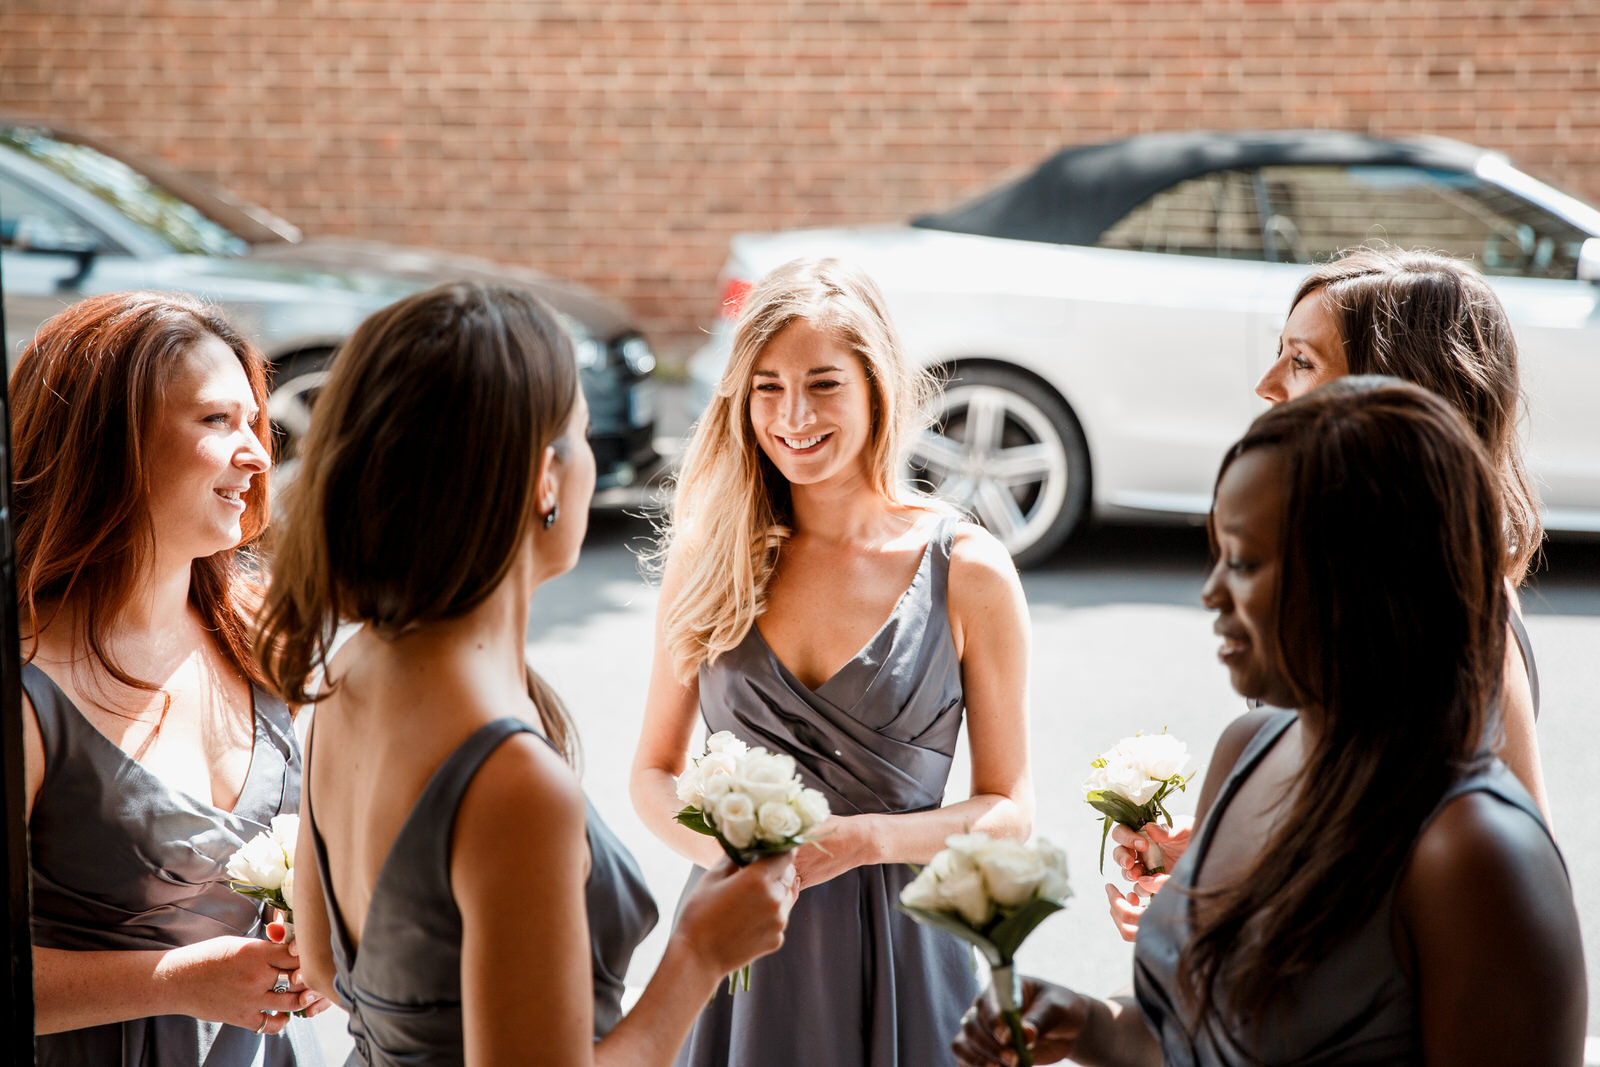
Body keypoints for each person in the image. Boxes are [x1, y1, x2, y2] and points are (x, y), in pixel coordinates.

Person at [955, 378, 1587, 1066]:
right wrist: (1088, 1024)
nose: (1211, 591)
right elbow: (1195, 1031)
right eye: (1218, 554)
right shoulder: (1247, 748)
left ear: (1365, 576)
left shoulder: (1473, 850)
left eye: (1246, 561)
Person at [255, 281, 795, 1067]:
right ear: (546, 475)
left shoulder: (349, 672)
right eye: (580, 433)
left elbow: (328, 966)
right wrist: (699, 955)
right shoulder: (510, 782)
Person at [630, 257, 1034, 1066]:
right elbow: (651, 773)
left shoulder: (971, 569)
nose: (793, 415)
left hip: (911, 955)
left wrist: (864, 840)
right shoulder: (709, 559)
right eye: (768, 388)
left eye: (823, 384)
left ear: (875, 386)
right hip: (738, 949)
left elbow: (1010, 810)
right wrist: (731, 859)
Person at [1106, 247, 1553, 938]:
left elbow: (1521, 883)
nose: (1266, 384)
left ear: (1391, 395)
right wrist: (1219, 856)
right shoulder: (1345, 581)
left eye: (1302, 361)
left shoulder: (1462, 616)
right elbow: (1349, 818)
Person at [12, 291, 325, 1065]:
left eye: (254, 421)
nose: (257, 452)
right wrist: (172, 979)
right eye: (218, 422)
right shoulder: (27, 688)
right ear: (109, 446)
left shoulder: (260, 630)